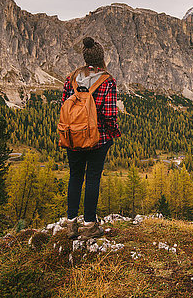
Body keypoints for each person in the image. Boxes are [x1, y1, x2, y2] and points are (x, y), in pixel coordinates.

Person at [60, 36, 120, 239]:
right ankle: (89, 225)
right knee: (92, 178)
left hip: (73, 137)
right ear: (101, 58)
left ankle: (70, 223)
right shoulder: (107, 81)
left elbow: (64, 106)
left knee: (75, 176)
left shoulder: (72, 78)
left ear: (85, 58)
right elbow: (110, 114)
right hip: (98, 139)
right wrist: (113, 132)